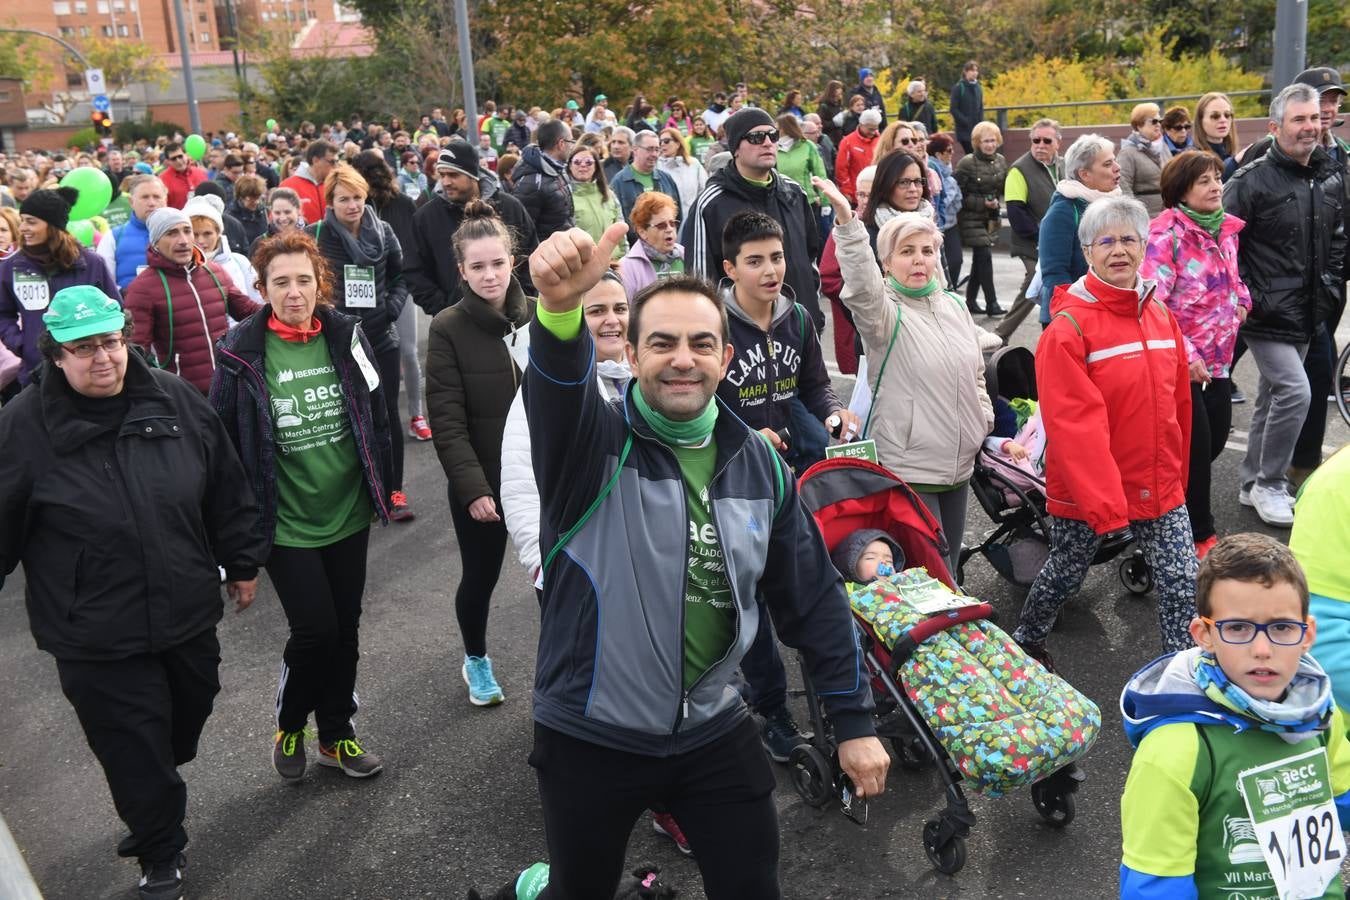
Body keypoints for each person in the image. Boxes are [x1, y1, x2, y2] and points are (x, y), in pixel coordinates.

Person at [519, 218, 888, 899]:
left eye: (700, 343)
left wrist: (854, 722)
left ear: (724, 357)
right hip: (591, 735)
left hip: (713, 730)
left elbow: (811, 601)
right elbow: (555, 387)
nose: (681, 358)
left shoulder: (762, 469)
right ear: (630, 355)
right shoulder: (588, 447)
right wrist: (559, 311)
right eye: (661, 343)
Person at [0, 286, 265, 900]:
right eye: (85, 348)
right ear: (56, 355)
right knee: (133, 743)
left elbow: (226, 484)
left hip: (185, 608)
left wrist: (243, 559)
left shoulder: (172, 397)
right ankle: (159, 848)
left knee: (184, 717)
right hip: (93, 630)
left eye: (112, 343)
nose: (104, 359)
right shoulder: (20, 428)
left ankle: (155, 786)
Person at [210, 230, 393, 785]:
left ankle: (337, 735)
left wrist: (385, 482)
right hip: (286, 521)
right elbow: (220, 448)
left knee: (346, 629)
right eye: (281, 283)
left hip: (348, 512)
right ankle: (291, 723)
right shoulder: (241, 354)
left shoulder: (345, 335)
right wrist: (234, 548)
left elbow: (375, 409)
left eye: (304, 281)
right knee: (315, 632)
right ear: (262, 288)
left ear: (320, 283)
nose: (295, 293)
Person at [1012, 197, 1195, 669]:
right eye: (1105, 241)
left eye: (1129, 239)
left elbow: (1178, 406)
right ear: (1087, 251)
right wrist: (1108, 506)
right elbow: (1076, 429)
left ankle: (1179, 677)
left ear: (1144, 245)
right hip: (1094, 491)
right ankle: (1027, 639)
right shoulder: (1069, 327)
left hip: (1158, 485)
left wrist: (1176, 474)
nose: (1119, 250)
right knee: (1067, 573)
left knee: (1181, 582)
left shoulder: (1160, 316)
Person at [1119, 534, 1350, 900]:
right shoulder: (1175, 750)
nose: (1262, 650)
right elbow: (1157, 885)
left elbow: (1342, 795)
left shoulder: (1318, 712)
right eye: (1238, 628)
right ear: (1205, 634)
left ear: (1308, 634)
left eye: (1282, 627)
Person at [818, 176, 992, 579]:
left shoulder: (952, 304)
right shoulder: (884, 314)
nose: (919, 260)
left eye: (927, 251)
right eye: (907, 252)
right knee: (933, 572)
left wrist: (982, 419)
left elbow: (977, 373)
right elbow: (861, 287)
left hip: (959, 464)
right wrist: (847, 223)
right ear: (887, 262)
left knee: (950, 570)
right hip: (911, 467)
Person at [424, 201, 535, 708]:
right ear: (462, 270)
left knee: (551, 578)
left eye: (497, 263)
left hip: (540, 478)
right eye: (478, 266)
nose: (490, 275)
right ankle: (476, 659)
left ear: (513, 260)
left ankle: (565, 664)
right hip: (484, 482)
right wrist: (473, 489)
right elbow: (446, 422)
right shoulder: (447, 327)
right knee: (481, 576)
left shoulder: (538, 312)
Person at [1223, 83, 1344, 526]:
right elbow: (1223, 244)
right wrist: (1246, 296)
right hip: (1265, 313)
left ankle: (1252, 479)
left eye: (1314, 118)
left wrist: (1329, 286)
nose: (1310, 126)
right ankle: (1271, 483)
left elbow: (1338, 237)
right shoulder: (1249, 181)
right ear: (1275, 127)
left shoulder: (1330, 173)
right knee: (1296, 391)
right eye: (1299, 119)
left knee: (1273, 395)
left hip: (1311, 309)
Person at [1140, 151, 1251, 559]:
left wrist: (1243, 300)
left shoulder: (1225, 230)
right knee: (1198, 449)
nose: (1216, 186)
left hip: (1219, 359)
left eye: (1217, 178)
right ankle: (1198, 537)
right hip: (1181, 365)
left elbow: (1235, 278)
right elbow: (1154, 303)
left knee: (1214, 441)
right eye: (1204, 180)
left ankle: (1167, 510)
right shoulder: (1165, 236)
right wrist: (1185, 354)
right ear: (1181, 190)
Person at [305, 163, 414, 521]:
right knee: (347, 418)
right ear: (330, 202)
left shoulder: (382, 231)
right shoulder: (317, 234)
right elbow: (308, 283)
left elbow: (401, 276)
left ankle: (393, 491)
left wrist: (392, 309)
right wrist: (328, 316)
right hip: (336, 341)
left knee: (385, 416)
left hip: (380, 336)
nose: (352, 205)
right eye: (343, 199)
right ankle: (362, 494)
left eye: (357, 197)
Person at [683, 109, 825, 332]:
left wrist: (812, 311)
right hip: (744, 337)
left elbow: (810, 260)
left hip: (800, 328)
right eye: (756, 137)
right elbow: (701, 281)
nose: (768, 143)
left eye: (773, 135)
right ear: (736, 148)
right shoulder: (711, 204)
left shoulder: (794, 193)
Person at [122, 207, 258, 393]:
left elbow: (248, 311)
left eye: (187, 231)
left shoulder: (215, 271)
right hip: (186, 395)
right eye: (171, 233)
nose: (183, 240)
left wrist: (282, 309)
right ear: (155, 243)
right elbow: (136, 352)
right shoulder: (142, 289)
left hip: (228, 385)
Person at [0, 187, 121, 389]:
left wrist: (101, 349)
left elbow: (115, 311)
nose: (22, 228)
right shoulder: (11, 267)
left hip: (87, 373)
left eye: (31, 221)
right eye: (22, 221)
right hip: (35, 373)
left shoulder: (91, 263)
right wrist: (22, 344)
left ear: (53, 226)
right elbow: (2, 313)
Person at [350, 149, 431, 444]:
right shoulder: (354, 207)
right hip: (362, 289)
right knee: (365, 354)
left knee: (408, 351)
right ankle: (374, 416)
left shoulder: (403, 204)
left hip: (399, 285)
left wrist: (407, 282)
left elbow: (411, 246)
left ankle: (416, 414)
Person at [405, 141, 538, 316]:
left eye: (453, 175)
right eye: (442, 175)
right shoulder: (426, 218)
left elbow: (531, 257)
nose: (445, 182)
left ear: (472, 175)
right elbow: (415, 272)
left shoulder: (510, 207)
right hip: (456, 325)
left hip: (513, 320)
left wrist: (521, 303)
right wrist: (445, 310)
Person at [1038, 134, 1122, 328]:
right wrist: (1072, 316)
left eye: (1115, 160)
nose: (1117, 168)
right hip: (1076, 318)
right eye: (1108, 164)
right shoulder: (1063, 211)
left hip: (1109, 309)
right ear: (1085, 174)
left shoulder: (1114, 203)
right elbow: (1055, 273)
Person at [996, 118, 1063, 342]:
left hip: (1060, 240)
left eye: (1046, 140)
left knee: (1053, 285)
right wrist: (1043, 237)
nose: (1040, 145)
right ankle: (1001, 333)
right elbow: (1016, 214)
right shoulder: (1019, 170)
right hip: (1031, 241)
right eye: (1035, 140)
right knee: (1036, 279)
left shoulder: (1064, 166)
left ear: (1058, 143)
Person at [954, 120, 1008, 316]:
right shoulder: (966, 163)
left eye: (993, 140)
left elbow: (1003, 188)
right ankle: (992, 303)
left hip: (990, 217)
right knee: (984, 256)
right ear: (977, 142)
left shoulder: (1001, 160)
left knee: (980, 260)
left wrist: (996, 202)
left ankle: (969, 301)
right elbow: (956, 194)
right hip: (970, 217)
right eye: (985, 141)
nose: (990, 145)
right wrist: (980, 202)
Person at [610, 129, 684, 246]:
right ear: (635, 150)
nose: (654, 154)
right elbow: (616, 221)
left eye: (657, 149)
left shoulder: (666, 179)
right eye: (649, 149)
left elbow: (678, 216)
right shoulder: (619, 182)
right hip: (636, 251)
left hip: (665, 250)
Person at [95, 174, 168, 292]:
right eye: (145, 197)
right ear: (131, 201)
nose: (151, 203)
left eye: (157, 197)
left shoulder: (183, 234)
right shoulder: (113, 237)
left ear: (165, 200)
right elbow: (104, 283)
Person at [184, 194, 260, 302]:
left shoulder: (240, 262)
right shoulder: (177, 269)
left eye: (207, 234)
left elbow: (256, 303)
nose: (201, 241)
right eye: (195, 234)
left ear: (218, 233)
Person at [512, 119, 576, 241]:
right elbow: (521, 235)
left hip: (563, 253)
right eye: (571, 141)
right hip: (546, 257)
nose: (572, 146)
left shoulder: (558, 170)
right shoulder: (532, 182)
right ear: (561, 144)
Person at [566, 143, 627, 265]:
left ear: (596, 167)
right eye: (577, 162)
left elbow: (622, 235)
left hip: (614, 264)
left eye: (588, 162)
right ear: (569, 167)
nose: (583, 165)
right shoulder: (564, 196)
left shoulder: (609, 195)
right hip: (584, 266)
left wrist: (624, 260)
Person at [618, 192, 683, 299]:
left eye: (672, 223)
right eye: (661, 225)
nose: (669, 229)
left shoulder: (686, 254)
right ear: (642, 232)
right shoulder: (626, 267)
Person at [1117, 103, 1168, 217]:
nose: (1158, 125)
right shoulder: (1128, 153)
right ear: (1139, 125)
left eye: (1160, 121)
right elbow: (1123, 187)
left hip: (1168, 216)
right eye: (1154, 121)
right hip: (1145, 218)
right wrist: (1136, 216)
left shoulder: (1163, 148)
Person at [927, 135, 963, 289]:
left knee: (956, 260)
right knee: (943, 264)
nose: (952, 153)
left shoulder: (948, 173)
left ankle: (951, 290)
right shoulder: (932, 169)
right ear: (938, 154)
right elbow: (941, 200)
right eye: (948, 150)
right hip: (939, 224)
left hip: (951, 222)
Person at [279, 140, 338, 225]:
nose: (335, 166)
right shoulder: (288, 186)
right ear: (316, 160)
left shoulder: (336, 184)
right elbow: (277, 223)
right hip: (301, 237)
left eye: (337, 161)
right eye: (332, 162)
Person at [656, 126, 708, 215]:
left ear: (678, 143)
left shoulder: (694, 164)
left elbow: (704, 189)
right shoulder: (657, 166)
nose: (662, 144)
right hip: (668, 219)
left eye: (666, 141)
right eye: (660, 142)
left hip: (692, 217)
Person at [835, 108, 882, 206]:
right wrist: (846, 191)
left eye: (875, 129)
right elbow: (841, 169)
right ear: (861, 125)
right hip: (857, 195)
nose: (873, 132)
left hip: (878, 193)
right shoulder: (847, 142)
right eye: (870, 129)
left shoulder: (881, 140)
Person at [1195, 92, 1239, 180]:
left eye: (1227, 115)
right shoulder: (1192, 157)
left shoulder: (1231, 152)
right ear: (1200, 121)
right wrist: (1234, 163)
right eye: (1215, 116)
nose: (1223, 120)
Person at [250, 187, 303, 255]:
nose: (283, 218)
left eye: (287, 212)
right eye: (277, 213)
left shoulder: (311, 236)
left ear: (298, 210)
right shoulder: (260, 244)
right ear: (271, 212)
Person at [158, 142, 207, 209]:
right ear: (168, 161)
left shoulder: (200, 173)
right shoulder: (162, 180)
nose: (178, 161)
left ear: (186, 155)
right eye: (173, 159)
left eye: (180, 156)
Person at [225, 174, 269, 249]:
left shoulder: (264, 211)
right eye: (251, 198)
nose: (256, 202)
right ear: (241, 197)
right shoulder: (230, 217)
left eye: (258, 197)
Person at [950, 61, 985, 154]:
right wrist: (965, 121)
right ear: (965, 72)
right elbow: (953, 109)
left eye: (976, 70)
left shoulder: (978, 88)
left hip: (977, 129)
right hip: (964, 130)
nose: (975, 73)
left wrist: (981, 123)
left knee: (978, 153)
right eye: (972, 70)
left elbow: (981, 107)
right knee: (971, 153)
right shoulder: (959, 88)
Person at [816, 80, 845, 146]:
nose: (840, 90)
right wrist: (834, 123)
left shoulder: (839, 105)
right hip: (829, 141)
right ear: (832, 90)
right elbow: (821, 124)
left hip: (839, 140)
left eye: (840, 88)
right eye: (837, 88)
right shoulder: (824, 106)